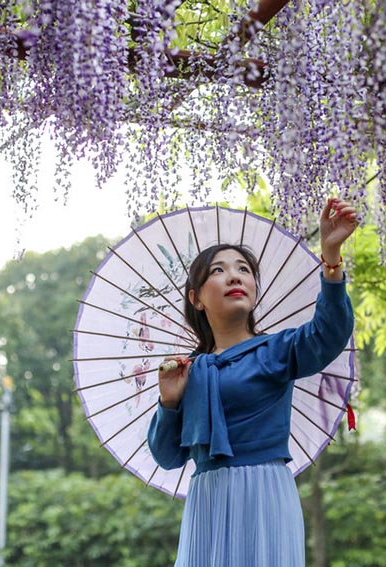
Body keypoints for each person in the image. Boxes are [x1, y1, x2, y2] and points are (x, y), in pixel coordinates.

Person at [147, 198, 358, 567]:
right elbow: (167, 457)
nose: (234, 276)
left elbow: (329, 334)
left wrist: (331, 258)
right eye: (218, 270)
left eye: (243, 269)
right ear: (196, 298)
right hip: (208, 500)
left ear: (254, 289)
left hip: (265, 493)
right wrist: (169, 403)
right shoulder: (187, 371)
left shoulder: (277, 349)